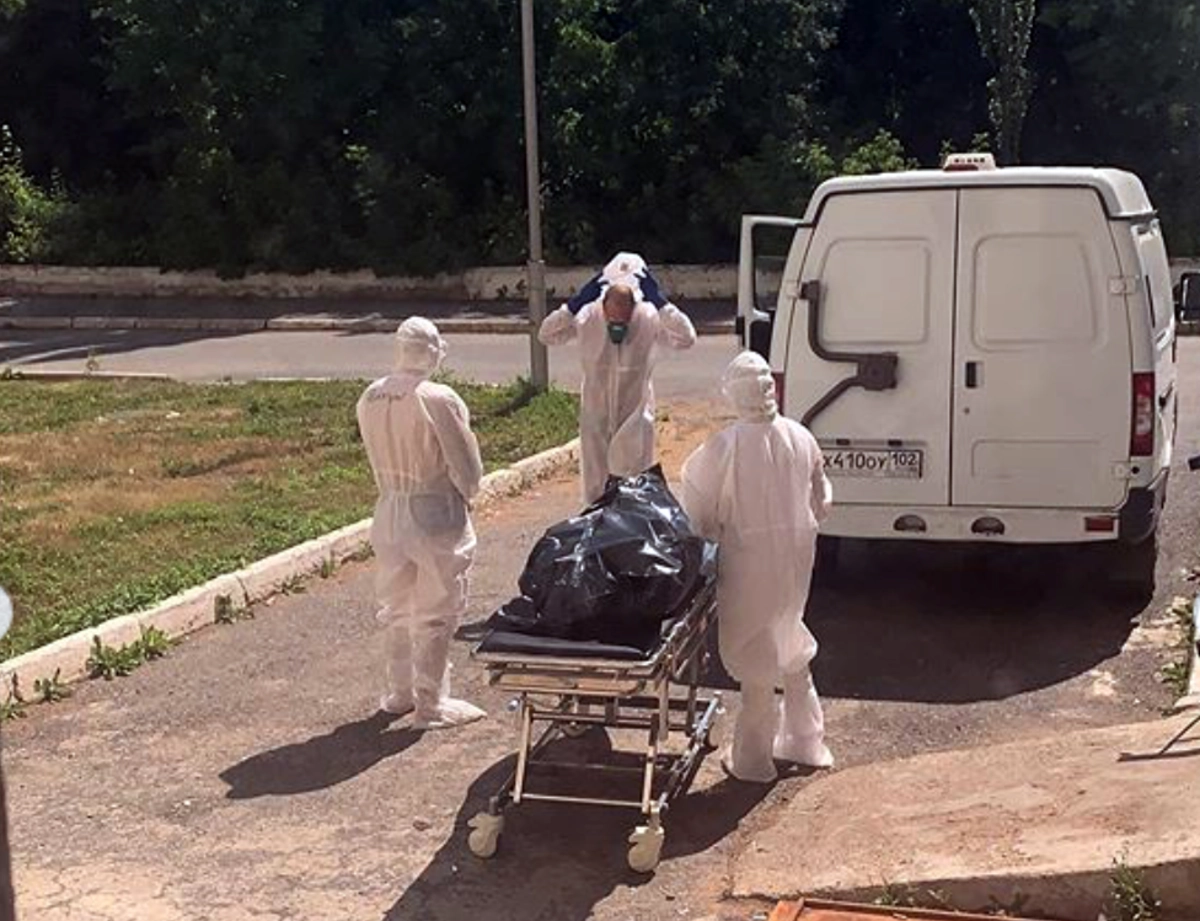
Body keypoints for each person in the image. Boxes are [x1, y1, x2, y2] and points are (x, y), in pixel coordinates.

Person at [680, 351, 834, 782]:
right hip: (795, 561)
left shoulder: (723, 447)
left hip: (747, 565)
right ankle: (806, 741)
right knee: (791, 637)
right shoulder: (801, 436)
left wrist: (714, 534)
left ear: (734, 394)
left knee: (756, 656)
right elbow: (822, 501)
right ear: (771, 390)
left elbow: (698, 513)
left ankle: (753, 759)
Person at [356, 317, 486, 730]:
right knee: (438, 608)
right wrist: (468, 494)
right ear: (431, 351)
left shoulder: (371, 395)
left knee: (397, 605)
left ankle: (400, 693)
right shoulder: (437, 398)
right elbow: (465, 464)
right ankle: (430, 703)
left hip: (390, 508)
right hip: (435, 510)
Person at [539, 252, 697, 503]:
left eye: (626, 314)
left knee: (633, 488)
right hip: (596, 412)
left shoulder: (648, 318)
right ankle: (597, 520)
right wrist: (572, 306)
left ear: (635, 305)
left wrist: (662, 304)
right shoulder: (588, 317)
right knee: (596, 486)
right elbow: (546, 334)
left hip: (635, 415)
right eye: (613, 314)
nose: (619, 322)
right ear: (604, 303)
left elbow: (686, 338)